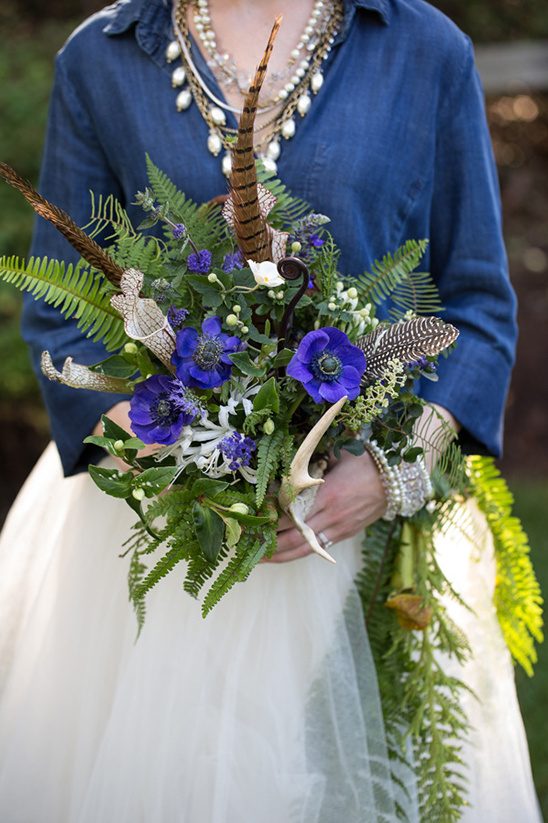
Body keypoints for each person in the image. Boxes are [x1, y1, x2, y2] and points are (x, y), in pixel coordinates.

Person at [0, 0, 542, 820]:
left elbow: (474, 305)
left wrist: (391, 477)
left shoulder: (425, 50)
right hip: (166, 540)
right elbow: (58, 314)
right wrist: (184, 469)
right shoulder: (103, 58)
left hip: (362, 530)